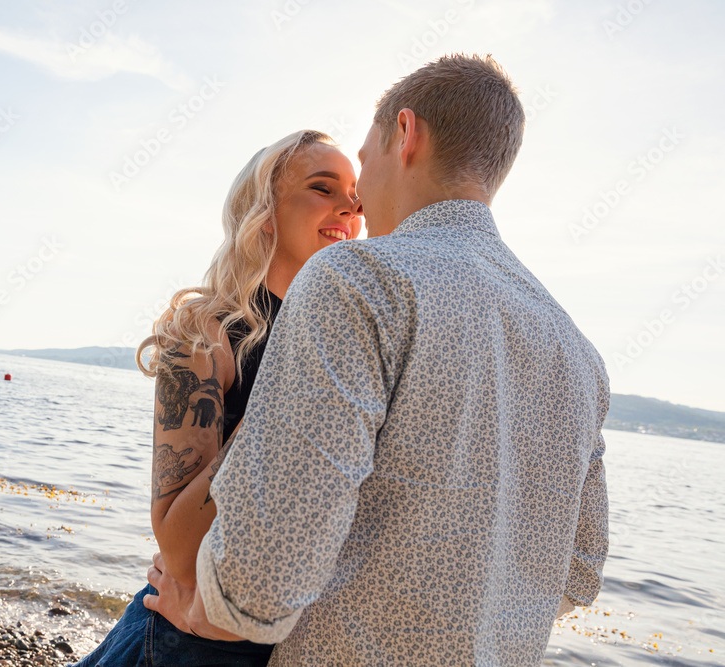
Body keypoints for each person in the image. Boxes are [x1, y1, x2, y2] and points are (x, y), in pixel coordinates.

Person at [144, 54, 610, 666]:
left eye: (361, 167)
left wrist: (213, 620)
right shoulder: (575, 348)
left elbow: (255, 589)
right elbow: (577, 574)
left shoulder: (361, 285)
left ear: (406, 134)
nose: (356, 201)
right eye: (325, 188)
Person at [72, 129, 362, 666]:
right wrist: (292, 401)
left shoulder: (357, 344)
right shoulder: (209, 331)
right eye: (324, 188)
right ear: (265, 212)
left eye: (356, 194)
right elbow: (179, 551)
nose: (352, 206)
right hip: (189, 641)